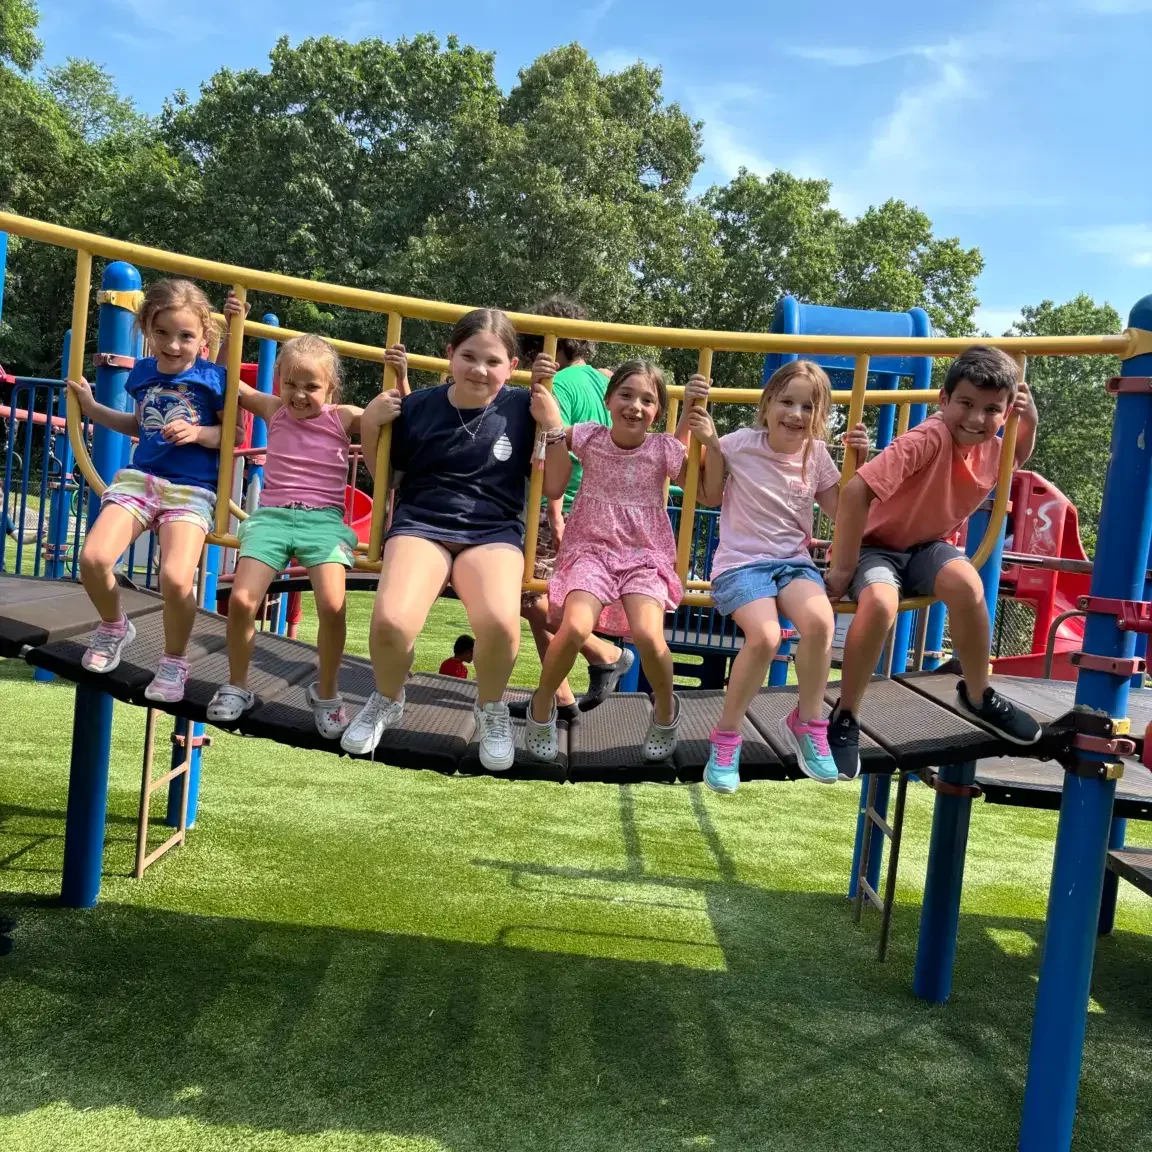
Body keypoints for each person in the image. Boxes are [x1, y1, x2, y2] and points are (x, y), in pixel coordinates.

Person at [823, 345, 1042, 779]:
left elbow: (1018, 455)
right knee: (881, 604)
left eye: (992, 409)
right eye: (966, 404)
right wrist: (844, 568)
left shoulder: (995, 448)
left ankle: (977, 695)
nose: (977, 419)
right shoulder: (928, 438)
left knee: (968, 585)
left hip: (927, 546)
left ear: (1006, 413)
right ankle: (846, 713)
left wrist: (1029, 419)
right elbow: (854, 493)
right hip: (874, 548)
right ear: (944, 401)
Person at [344, 308, 537, 769]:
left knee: (501, 625)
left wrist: (551, 425)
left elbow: (552, 487)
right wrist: (372, 425)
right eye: (469, 356)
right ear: (450, 355)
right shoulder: (420, 406)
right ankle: (388, 698)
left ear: (512, 367)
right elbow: (388, 479)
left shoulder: (523, 407)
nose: (479, 369)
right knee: (391, 621)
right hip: (423, 523)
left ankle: (490, 708)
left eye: (493, 362)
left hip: (491, 532)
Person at [690, 360, 870, 792]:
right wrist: (711, 444)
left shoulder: (817, 455)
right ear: (767, 404)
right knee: (766, 637)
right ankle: (727, 735)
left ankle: (808, 722)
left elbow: (841, 512)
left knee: (821, 623)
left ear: (821, 416)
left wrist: (859, 465)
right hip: (741, 562)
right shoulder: (740, 444)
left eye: (808, 407)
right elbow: (711, 495)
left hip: (793, 562)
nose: (795, 414)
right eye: (786, 402)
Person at [523, 361, 708, 762]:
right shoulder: (587, 437)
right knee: (573, 625)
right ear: (607, 400)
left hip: (644, 555)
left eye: (647, 400)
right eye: (626, 395)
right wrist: (547, 408)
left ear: (658, 411)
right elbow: (553, 482)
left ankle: (664, 710)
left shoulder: (663, 449)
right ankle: (542, 707)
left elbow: (707, 493)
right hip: (591, 548)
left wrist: (701, 430)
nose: (635, 406)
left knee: (647, 634)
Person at [67, 279, 225, 703]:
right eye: (162, 334)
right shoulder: (142, 373)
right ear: (147, 330)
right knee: (94, 557)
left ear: (203, 337)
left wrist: (197, 432)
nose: (173, 345)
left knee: (175, 578)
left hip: (190, 488)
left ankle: (174, 661)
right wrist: (95, 409)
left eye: (186, 336)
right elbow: (141, 426)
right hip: (143, 479)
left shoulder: (213, 377)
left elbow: (232, 434)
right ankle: (114, 625)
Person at [206, 323, 364, 739]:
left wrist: (397, 382)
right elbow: (231, 384)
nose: (298, 394)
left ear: (331, 389)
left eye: (311, 386)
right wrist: (230, 335)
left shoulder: (341, 418)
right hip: (273, 516)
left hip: (323, 521)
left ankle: (326, 692)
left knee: (332, 605)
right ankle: (237, 685)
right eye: (290, 383)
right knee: (241, 599)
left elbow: (386, 416)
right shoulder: (275, 410)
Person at [518, 296, 631, 711]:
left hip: (561, 505)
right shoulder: (603, 383)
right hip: (598, 507)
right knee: (533, 599)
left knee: (535, 600)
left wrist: (552, 511)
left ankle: (607, 656)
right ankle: (560, 699)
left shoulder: (559, 387)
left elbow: (551, 446)